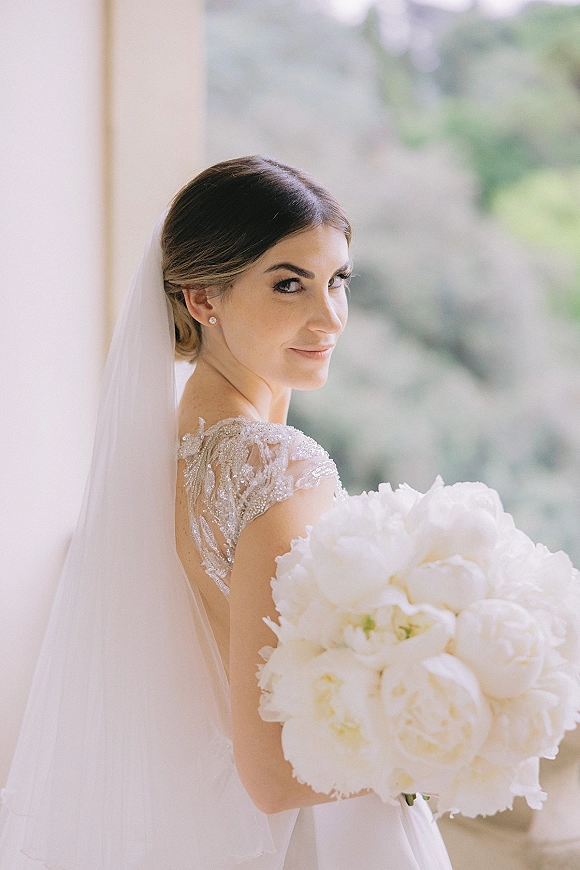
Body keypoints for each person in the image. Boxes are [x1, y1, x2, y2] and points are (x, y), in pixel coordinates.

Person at [0, 156, 453, 869]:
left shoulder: (167, 451)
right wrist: (455, 738)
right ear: (202, 298)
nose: (329, 315)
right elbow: (272, 778)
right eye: (288, 284)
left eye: (338, 280)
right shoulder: (277, 468)